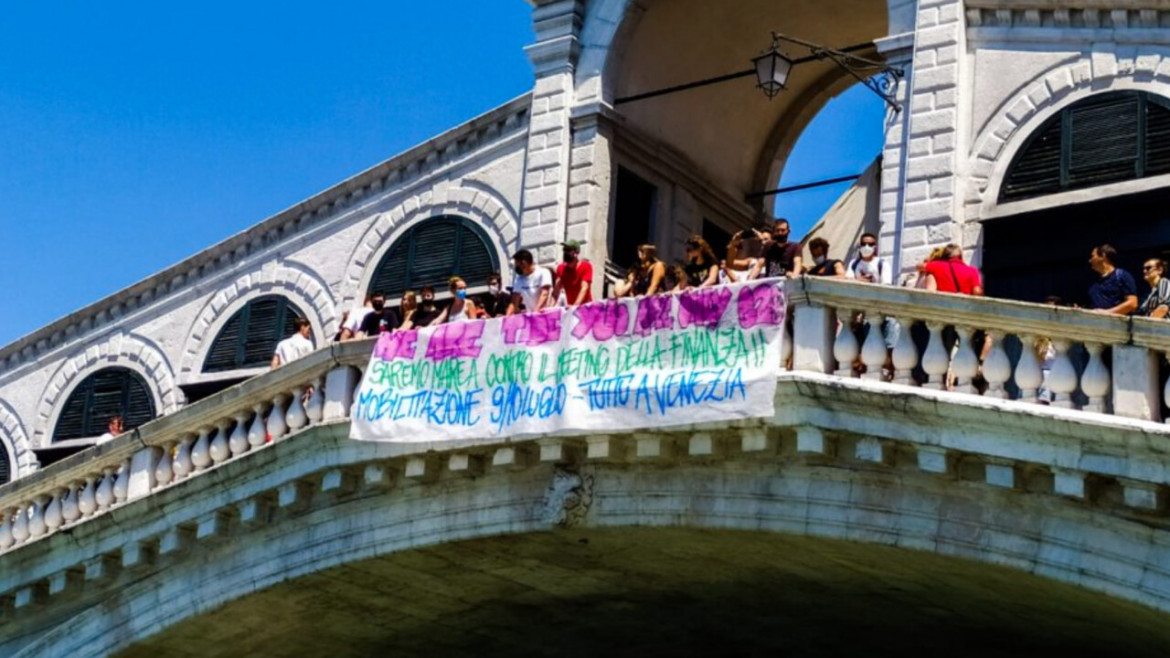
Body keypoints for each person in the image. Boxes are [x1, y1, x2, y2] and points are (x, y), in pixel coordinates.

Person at [1088, 244, 1138, 315]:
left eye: (1093, 256)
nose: (1090, 260)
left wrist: (1107, 313)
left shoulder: (1122, 276)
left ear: (1103, 256)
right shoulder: (1094, 283)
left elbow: (1132, 304)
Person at [508, 249, 553, 314]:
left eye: (520, 264)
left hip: (546, 313)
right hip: (532, 314)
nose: (518, 267)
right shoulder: (519, 279)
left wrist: (536, 311)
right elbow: (514, 301)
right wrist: (507, 317)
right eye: (516, 264)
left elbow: (544, 294)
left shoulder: (543, 272)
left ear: (527, 262)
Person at [553, 240, 593, 306]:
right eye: (564, 249)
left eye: (568, 250)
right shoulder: (561, 268)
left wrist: (575, 306)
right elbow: (556, 292)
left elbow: (584, 288)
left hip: (586, 307)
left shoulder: (586, 266)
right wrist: (548, 309)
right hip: (571, 307)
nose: (565, 252)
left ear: (576, 253)